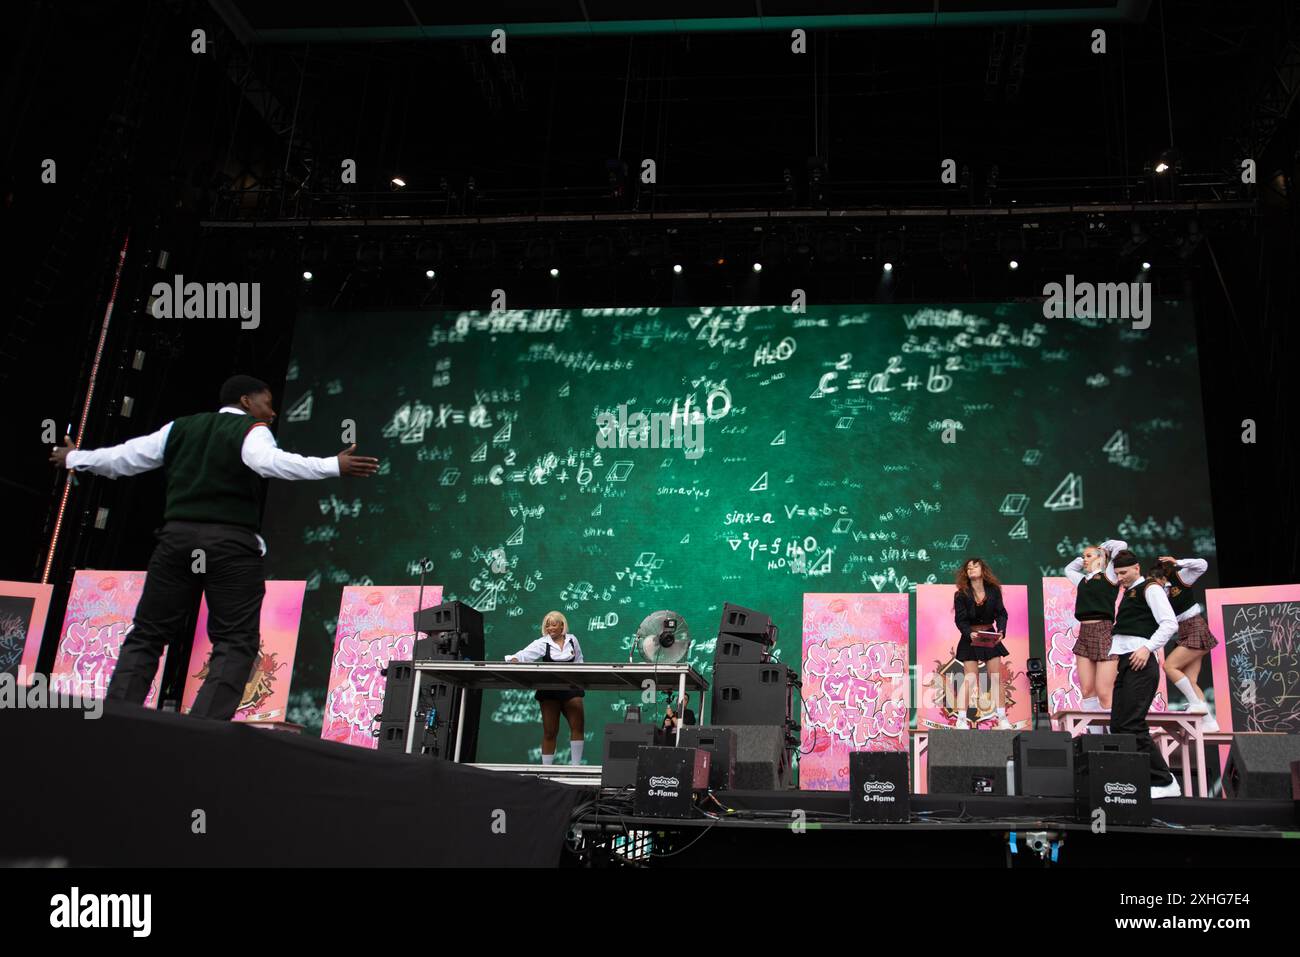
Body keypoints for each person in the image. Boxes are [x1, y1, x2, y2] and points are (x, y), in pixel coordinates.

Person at [50, 374, 379, 719]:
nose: (272, 413)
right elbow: (270, 462)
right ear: (246, 402)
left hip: (176, 540)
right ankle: (202, 732)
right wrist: (332, 466)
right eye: (267, 403)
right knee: (236, 641)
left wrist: (75, 459)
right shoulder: (251, 430)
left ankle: (116, 718)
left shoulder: (178, 428)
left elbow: (123, 458)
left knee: (148, 632)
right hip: (229, 545)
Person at [1108, 550, 1181, 798]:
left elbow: (1170, 623)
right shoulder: (1128, 592)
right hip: (1127, 661)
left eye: (1124, 572)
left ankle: (1165, 780)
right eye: (1117, 574)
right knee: (1118, 724)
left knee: (1131, 723)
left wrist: (1147, 647)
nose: (1121, 578)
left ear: (1137, 568)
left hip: (1141, 661)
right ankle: (1139, 781)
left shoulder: (1150, 588)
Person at [506, 611, 586, 765]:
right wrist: (514, 659)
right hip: (549, 690)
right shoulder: (542, 642)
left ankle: (576, 767)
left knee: (578, 727)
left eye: (553, 625)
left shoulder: (572, 640)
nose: (550, 628)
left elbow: (579, 661)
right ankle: (546, 771)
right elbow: (524, 655)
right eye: (547, 625)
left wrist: (580, 679)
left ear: (562, 625)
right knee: (550, 732)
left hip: (571, 688)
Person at [1063, 539, 1127, 727]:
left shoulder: (1109, 575)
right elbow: (1069, 570)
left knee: (1104, 692)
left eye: (1088, 556)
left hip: (1104, 630)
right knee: (1087, 690)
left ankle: (1115, 739)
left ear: (1101, 558)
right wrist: (1084, 558)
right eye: (1083, 556)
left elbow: (1121, 546)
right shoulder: (1083, 580)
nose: (1084, 559)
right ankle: (1095, 740)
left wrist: (1104, 549)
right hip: (1085, 631)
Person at [1150, 555, 1218, 732]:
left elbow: (1202, 565)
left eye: (1157, 581)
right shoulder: (1156, 593)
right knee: (1190, 681)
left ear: (1164, 576)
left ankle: (1197, 705)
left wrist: (1178, 562)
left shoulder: (1180, 577)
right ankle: (1210, 723)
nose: (1156, 586)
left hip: (1195, 626)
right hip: (1183, 630)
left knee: (1170, 666)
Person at [952, 557, 1013, 730]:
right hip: (970, 636)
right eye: (968, 567)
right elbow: (960, 620)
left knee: (995, 677)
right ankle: (961, 719)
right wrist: (969, 633)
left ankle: (1002, 718)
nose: (971, 569)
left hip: (989, 634)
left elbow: (1002, 613)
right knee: (970, 678)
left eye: (975, 566)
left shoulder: (993, 591)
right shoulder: (961, 594)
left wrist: (1001, 631)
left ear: (983, 570)